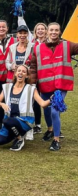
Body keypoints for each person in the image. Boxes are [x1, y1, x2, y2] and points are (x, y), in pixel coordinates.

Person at [26, 22, 77, 151]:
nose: (54, 32)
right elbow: (33, 67)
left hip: (61, 85)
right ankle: (50, 129)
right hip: (45, 85)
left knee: (55, 110)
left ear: (60, 32)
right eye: (52, 30)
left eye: (56, 30)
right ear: (48, 32)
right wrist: (32, 83)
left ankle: (56, 140)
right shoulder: (37, 48)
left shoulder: (67, 45)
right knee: (47, 111)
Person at [0, 65, 51, 151]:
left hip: (25, 121)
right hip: (10, 121)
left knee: (6, 120)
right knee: (0, 140)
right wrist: (2, 104)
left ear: (27, 76)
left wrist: (51, 99)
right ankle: (17, 133)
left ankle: (19, 139)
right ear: (15, 74)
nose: (21, 73)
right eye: (19, 71)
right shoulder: (7, 87)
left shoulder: (31, 89)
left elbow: (43, 104)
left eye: (24, 72)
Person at [6, 24, 38, 137]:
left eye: (25, 33)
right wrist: (12, 66)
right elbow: (7, 63)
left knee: (28, 103)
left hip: (27, 79)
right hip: (14, 79)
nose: (22, 35)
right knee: (14, 101)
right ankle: (13, 124)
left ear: (27, 35)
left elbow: (35, 63)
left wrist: (24, 69)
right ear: (17, 35)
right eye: (20, 33)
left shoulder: (33, 47)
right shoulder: (12, 47)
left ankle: (29, 126)